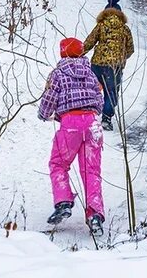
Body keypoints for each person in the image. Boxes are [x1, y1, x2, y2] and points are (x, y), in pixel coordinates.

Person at [38, 37, 106, 235]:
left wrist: (44, 114)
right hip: (92, 124)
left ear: (62, 53)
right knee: (91, 170)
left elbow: (50, 97)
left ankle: (63, 202)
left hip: (71, 125)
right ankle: (95, 214)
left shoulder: (58, 74)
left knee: (58, 163)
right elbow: (99, 99)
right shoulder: (91, 74)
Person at [82, 0, 134, 132]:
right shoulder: (125, 29)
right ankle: (106, 118)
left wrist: (76, 54)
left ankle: (88, 115)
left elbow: (89, 43)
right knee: (111, 92)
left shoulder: (100, 25)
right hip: (114, 67)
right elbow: (131, 49)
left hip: (97, 64)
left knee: (92, 89)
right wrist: (122, 57)